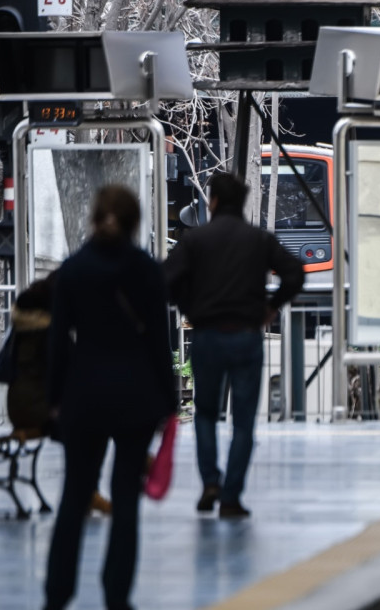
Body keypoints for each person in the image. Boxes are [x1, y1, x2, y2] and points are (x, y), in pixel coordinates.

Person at [44, 186, 176, 610]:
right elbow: (159, 340)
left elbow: (58, 341)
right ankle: (116, 595)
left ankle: (57, 593)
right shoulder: (145, 270)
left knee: (74, 496)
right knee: (125, 499)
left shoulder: (73, 269)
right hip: (135, 398)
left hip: (83, 397)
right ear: (135, 222)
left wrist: (54, 397)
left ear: (93, 218)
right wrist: (168, 399)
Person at [164, 173, 303, 518]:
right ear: (241, 202)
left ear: (212, 201)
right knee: (243, 422)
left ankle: (210, 480)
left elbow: (164, 281)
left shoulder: (196, 242)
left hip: (208, 336)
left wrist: (189, 305)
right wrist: (271, 307)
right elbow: (295, 272)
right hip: (246, 337)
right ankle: (231, 496)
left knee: (206, 414)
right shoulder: (258, 240)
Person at [5, 273, 112, 515]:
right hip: (38, 407)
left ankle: (86, 491)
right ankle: (87, 492)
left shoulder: (23, 327)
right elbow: (69, 373)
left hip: (19, 404)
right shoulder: (49, 333)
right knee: (95, 427)